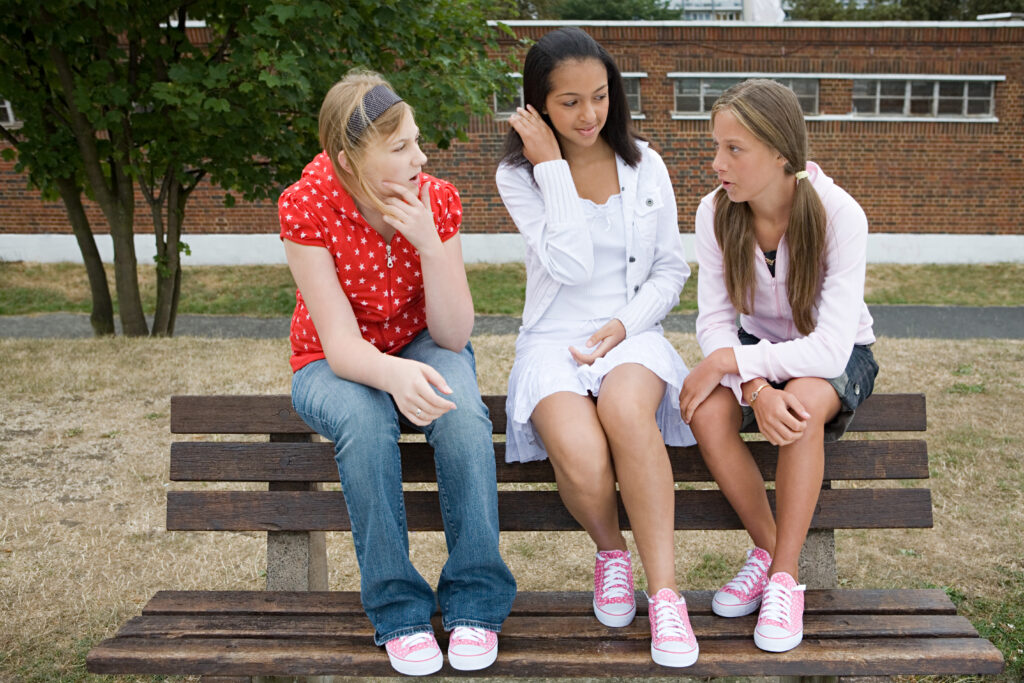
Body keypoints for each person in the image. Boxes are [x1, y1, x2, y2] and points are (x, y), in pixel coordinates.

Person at [278, 70, 516, 676]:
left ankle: (476, 601)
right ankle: (399, 612)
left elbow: (453, 336)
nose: (420, 157)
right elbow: (340, 345)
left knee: (461, 412)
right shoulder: (306, 206)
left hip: (422, 341)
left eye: (417, 141)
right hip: (330, 361)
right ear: (349, 159)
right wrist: (392, 377)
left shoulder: (436, 198)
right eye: (401, 147)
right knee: (364, 421)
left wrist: (431, 244)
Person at [496, 27, 699, 668]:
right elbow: (572, 266)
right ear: (537, 105)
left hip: (630, 332)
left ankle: (665, 595)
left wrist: (624, 324)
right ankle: (612, 553)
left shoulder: (646, 164)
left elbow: (670, 269)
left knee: (625, 411)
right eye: (570, 102)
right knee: (582, 460)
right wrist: (552, 168)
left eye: (600, 96)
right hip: (553, 339)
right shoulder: (518, 176)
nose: (589, 115)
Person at [679, 79, 879, 653]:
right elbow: (715, 321)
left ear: (780, 154)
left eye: (734, 149)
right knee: (706, 412)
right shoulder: (715, 212)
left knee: (804, 402)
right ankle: (768, 554)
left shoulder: (840, 214)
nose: (717, 163)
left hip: (838, 354)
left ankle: (786, 579)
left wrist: (732, 361)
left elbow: (829, 349)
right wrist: (754, 385)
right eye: (716, 147)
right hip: (755, 351)